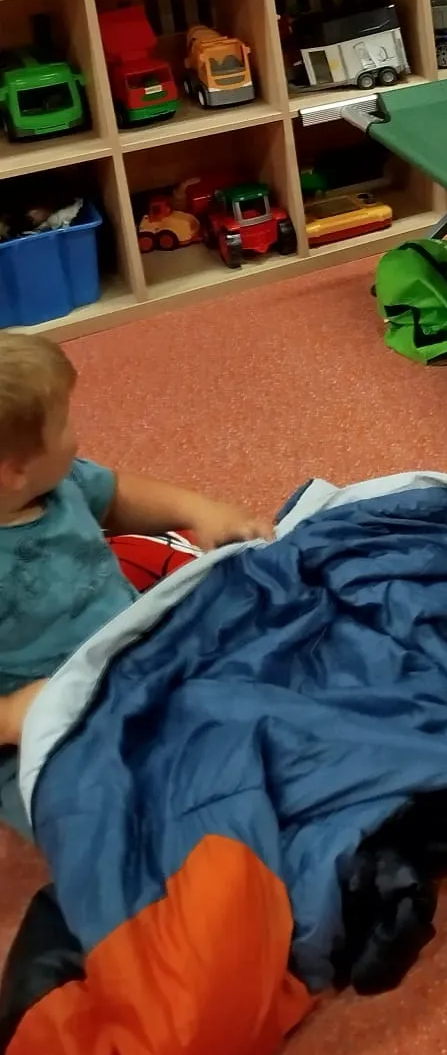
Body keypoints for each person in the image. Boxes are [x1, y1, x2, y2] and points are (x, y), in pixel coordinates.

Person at [0, 335, 272, 844]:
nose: (77, 435)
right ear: (13, 472)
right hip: (47, 729)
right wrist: (11, 716)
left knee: (254, 679)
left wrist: (199, 511)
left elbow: (116, 495)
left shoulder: (57, 481)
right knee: (112, 826)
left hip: (139, 651)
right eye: (65, 424)